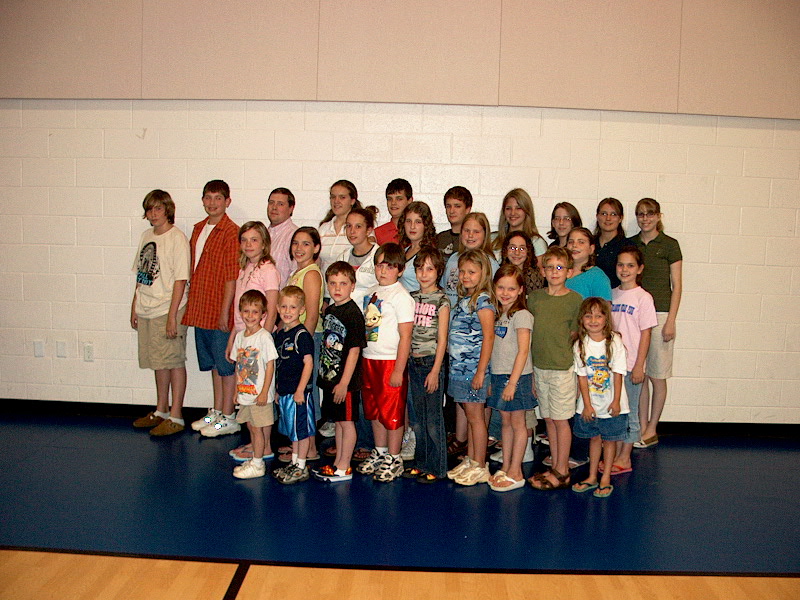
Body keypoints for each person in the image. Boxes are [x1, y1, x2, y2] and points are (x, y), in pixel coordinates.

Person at [131, 190, 191, 436]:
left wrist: (172, 316)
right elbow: (142, 274)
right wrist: (134, 304)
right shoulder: (146, 236)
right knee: (159, 362)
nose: (153, 214)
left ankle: (176, 416)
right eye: (149, 209)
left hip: (168, 308)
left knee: (173, 360)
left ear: (168, 210)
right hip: (147, 307)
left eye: (158, 208)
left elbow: (181, 280)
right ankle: (162, 410)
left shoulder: (177, 238)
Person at [183, 180, 241, 437]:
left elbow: (231, 278)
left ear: (227, 201)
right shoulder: (198, 229)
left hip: (219, 309)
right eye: (208, 197)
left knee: (226, 365)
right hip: (201, 307)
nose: (212, 203)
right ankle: (217, 411)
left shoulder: (231, 232)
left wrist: (225, 312)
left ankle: (229, 416)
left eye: (218, 198)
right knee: (214, 365)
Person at [356, 243, 415, 483]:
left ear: (400, 270)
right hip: (369, 359)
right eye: (380, 265)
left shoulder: (402, 297)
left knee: (392, 413)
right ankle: (380, 451)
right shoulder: (371, 292)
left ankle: (394, 457)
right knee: (374, 411)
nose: (383, 270)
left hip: (390, 362)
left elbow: (406, 336)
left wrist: (399, 369)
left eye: (390, 266)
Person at [528, 247, 583, 491]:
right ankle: (555, 464)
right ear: (542, 271)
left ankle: (562, 470)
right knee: (549, 418)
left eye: (559, 267)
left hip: (562, 368)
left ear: (569, 272)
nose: (554, 272)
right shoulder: (535, 298)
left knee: (561, 420)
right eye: (549, 267)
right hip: (539, 367)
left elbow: (574, 334)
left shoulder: (574, 300)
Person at [629, 198, 683, 448]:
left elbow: (677, 286)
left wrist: (671, 320)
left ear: (658, 216)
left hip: (660, 315)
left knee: (657, 375)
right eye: (641, 214)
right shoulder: (631, 244)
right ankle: (640, 426)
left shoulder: (670, 245)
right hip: (635, 315)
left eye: (650, 214)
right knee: (639, 373)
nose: (645, 218)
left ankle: (652, 428)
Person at [226, 221, 280, 461]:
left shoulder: (268, 269)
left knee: (260, 398)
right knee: (248, 393)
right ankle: (256, 441)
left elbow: (271, 308)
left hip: (258, 342)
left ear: (264, 243)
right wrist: (233, 339)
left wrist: (261, 340)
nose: (248, 244)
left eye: (254, 240)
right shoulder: (245, 267)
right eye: (244, 240)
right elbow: (241, 311)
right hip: (244, 339)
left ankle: (264, 446)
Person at [570, 298, 629, 499]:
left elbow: (618, 373)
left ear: (606, 319)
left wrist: (616, 401)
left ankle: (605, 477)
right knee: (594, 439)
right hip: (591, 403)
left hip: (611, 402)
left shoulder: (614, 341)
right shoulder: (580, 344)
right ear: (582, 319)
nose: (593, 320)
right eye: (588, 316)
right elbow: (582, 377)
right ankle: (592, 475)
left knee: (609, 440)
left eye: (598, 316)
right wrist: (587, 405)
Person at [446, 250, 496, 486]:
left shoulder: (483, 301)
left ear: (483, 274)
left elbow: (489, 337)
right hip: (459, 369)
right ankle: (472, 458)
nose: (466, 276)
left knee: (476, 419)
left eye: (472, 272)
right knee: (470, 415)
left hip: (473, 370)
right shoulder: (463, 300)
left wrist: (480, 371)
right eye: (463, 271)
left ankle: (480, 465)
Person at [314, 262, 367, 482]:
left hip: (346, 382)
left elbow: (354, 351)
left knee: (347, 422)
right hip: (330, 377)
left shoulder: (353, 314)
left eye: (343, 283)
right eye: (333, 283)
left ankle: (345, 466)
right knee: (338, 421)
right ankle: (338, 463)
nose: (337, 288)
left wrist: (344, 382)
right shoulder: (331, 311)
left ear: (352, 286)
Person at [607, 246, 657, 473]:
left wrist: (639, 365)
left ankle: (625, 457)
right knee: (615, 412)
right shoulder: (611, 294)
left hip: (630, 366)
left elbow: (646, 334)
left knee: (631, 413)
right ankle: (617, 453)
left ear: (640, 269)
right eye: (621, 265)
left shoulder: (643, 298)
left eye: (630, 265)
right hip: (612, 366)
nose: (624, 270)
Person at [487, 264, 535, 492]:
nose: (505, 293)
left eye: (511, 289)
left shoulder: (522, 315)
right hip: (499, 375)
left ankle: (516, 470)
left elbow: (523, 351)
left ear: (520, 290)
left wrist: (513, 383)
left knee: (518, 423)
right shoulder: (498, 314)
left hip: (516, 377)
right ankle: (506, 466)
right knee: (505, 423)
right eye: (501, 287)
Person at [404, 247, 450, 483]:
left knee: (433, 420)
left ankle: (438, 467)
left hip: (431, 362)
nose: (424, 274)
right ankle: (421, 462)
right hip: (413, 362)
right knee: (418, 420)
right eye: (420, 268)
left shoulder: (442, 300)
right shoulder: (410, 298)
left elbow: (442, 339)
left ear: (439, 272)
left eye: (430, 269)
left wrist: (435, 371)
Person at [283, 226, 324, 462]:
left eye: (306, 244)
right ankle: (299, 443)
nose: (299, 248)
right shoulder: (297, 272)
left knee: (307, 392)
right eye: (296, 243)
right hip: (296, 340)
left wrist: (301, 344)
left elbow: (311, 314)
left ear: (316, 248)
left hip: (307, 340)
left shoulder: (311, 274)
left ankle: (311, 448)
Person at [229, 290, 277, 480]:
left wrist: (264, 392)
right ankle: (256, 458)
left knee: (258, 429)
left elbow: (270, 365)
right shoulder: (240, 336)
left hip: (259, 395)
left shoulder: (264, 337)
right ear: (240, 312)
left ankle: (258, 464)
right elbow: (238, 365)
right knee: (250, 426)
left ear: (263, 314)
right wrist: (236, 390)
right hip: (245, 392)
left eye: (255, 312)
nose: (250, 316)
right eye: (246, 311)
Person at [272, 286, 316, 485]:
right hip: (285, 391)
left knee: (301, 430)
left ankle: (301, 465)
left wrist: (300, 390)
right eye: (284, 307)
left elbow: (309, 363)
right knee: (293, 432)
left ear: (301, 310)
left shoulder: (301, 335)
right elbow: (280, 364)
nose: (287, 311)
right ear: (277, 308)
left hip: (298, 393)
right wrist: (277, 389)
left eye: (292, 307)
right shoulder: (281, 334)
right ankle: (295, 461)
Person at [440, 212, 499, 308]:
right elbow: (444, 289)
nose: (470, 235)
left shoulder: (490, 263)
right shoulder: (453, 258)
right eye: (466, 230)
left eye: (476, 232)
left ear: (485, 234)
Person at [336, 207, 379, 310]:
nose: (352, 231)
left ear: (368, 230)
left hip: (370, 314)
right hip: (343, 314)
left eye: (358, 226)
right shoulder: (342, 258)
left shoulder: (379, 257)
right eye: (348, 226)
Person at [319, 180, 362, 277]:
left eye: (342, 197)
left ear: (352, 201)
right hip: (327, 285)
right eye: (333, 197)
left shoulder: (361, 228)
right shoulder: (323, 229)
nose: (336, 201)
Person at [491, 188, 548, 259]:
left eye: (518, 208)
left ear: (527, 210)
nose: (513, 213)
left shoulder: (536, 243)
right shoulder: (492, 239)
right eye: (508, 208)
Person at [398, 201, 437, 292]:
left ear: (426, 225)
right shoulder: (404, 251)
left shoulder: (429, 255)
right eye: (408, 221)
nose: (412, 226)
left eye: (418, 222)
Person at [566, 227, 613, 301]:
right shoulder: (560, 272)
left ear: (591, 249)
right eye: (571, 242)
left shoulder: (597, 276)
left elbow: (604, 306)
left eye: (581, 242)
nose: (574, 245)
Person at [266, 187, 299, 288]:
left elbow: (297, 276)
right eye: (271, 202)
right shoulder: (262, 234)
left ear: (291, 208)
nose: (274, 207)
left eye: (280, 204)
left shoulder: (294, 236)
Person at [593, 197, 626, 288]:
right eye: (604, 214)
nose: (608, 218)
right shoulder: (588, 243)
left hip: (616, 295)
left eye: (613, 214)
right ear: (597, 216)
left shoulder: (627, 247)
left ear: (620, 218)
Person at [500, 232, 545, 297]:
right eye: (512, 248)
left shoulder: (533, 277)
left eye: (522, 249)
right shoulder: (500, 272)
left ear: (528, 252)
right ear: (505, 250)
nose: (517, 253)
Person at [374, 178, 413, 245]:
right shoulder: (377, 234)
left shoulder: (416, 231)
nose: (393, 203)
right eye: (389, 199)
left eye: (399, 199)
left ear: (410, 200)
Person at [436, 186, 472, 258]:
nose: (451, 211)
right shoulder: (440, 238)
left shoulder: (472, 239)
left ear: (467, 209)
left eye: (457, 206)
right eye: (448, 206)